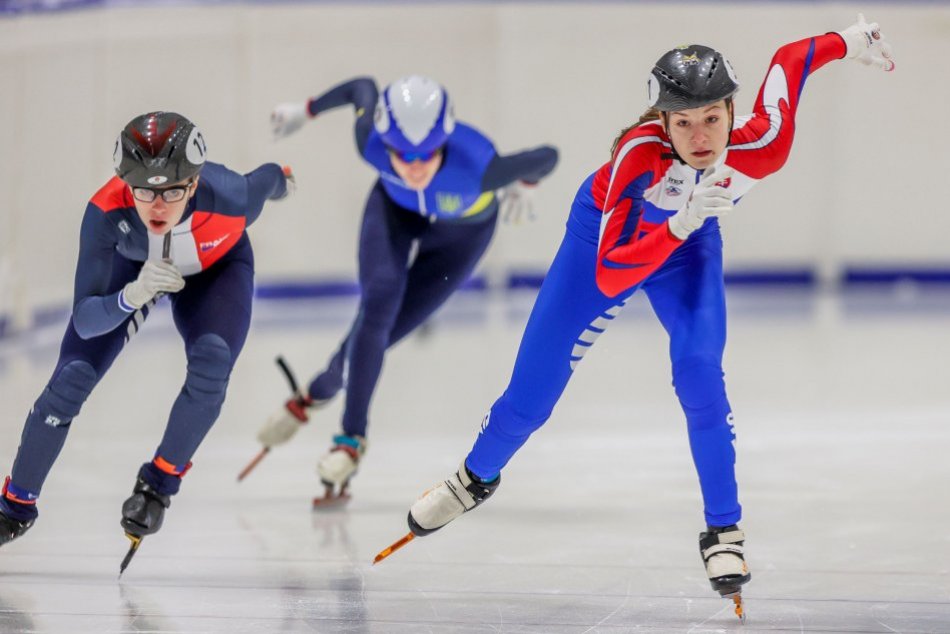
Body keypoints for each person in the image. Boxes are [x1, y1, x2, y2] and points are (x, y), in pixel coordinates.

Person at [402, 15, 894, 617]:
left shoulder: (764, 145)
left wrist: (852, 40)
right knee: (530, 399)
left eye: (713, 117)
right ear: (660, 120)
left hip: (687, 247)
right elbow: (611, 271)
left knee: (699, 374)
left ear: (732, 112)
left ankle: (724, 532)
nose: (701, 135)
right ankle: (471, 480)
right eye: (683, 122)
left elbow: (792, 60)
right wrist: (679, 220)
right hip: (605, 241)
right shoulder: (639, 158)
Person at [0, 112, 293, 554]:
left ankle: (157, 486)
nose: (158, 205)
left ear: (194, 184)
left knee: (213, 364)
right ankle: (13, 508)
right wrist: (132, 294)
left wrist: (286, 180)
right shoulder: (104, 213)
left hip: (216, 270)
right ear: (125, 183)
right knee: (70, 379)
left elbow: (268, 178)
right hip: (134, 269)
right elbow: (84, 319)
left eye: (172, 191)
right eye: (144, 191)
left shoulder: (232, 196)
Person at [259, 75, 558, 503]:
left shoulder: (480, 168)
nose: (414, 166)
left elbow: (547, 157)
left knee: (384, 333)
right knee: (377, 306)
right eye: (401, 154)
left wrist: (527, 183)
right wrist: (305, 110)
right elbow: (361, 88)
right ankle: (350, 438)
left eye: (427, 153)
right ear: (385, 141)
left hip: (460, 237)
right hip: (394, 213)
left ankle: (317, 390)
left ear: (445, 141)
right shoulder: (369, 141)